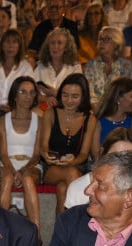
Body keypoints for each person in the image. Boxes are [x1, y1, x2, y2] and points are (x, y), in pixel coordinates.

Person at [42, 151, 132, 246]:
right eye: (91, 182)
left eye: (100, 186)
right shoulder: (70, 222)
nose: (87, 190)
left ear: (129, 197)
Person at [40, 73, 97, 215]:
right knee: (72, 175)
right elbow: (43, 146)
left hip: (77, 165)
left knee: (62, 188)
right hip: (52, 167)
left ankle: (60, 233)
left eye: (75, 96)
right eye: (65, 95)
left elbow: (84, 154)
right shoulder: (50, 113)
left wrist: (72, 161)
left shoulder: (90, 119)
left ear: (83, 97)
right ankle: (76, 226)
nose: (69, 101)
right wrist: (47, 156)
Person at [0, 76, 41, 231]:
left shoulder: (39, 120)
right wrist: (12, 170)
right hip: (7, 163)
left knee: (28, 179)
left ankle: (36, 233)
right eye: (23, 92)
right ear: (14, 95)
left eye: (31, 93)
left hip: (31, 164)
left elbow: (37, 155)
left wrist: (22, 171)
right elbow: (3, 154)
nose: (28, 97)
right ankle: (1, 230)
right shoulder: (3, 120)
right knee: (7, 179)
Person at [65, 127, 132, 209]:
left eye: (129, 159)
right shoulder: (79, 189)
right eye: (113, 158)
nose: (120, 164)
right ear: (102, 154)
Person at [0, 29, 34, 112]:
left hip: (16, 111)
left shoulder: (26, 68)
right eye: (7, 42)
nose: (10, 46)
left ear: (19, 46)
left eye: (14, 42)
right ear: (2, 46)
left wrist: (14, 107)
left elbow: (29, 95)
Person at [84, 26, 132, 111]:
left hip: (120, 112)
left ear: (116, 43)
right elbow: (90, 95)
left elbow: (127, 95)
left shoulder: (126, 66)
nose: (101, 42)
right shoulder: (91, 65)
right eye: (100, 39)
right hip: (95, 112)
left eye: (106, 40)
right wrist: (99, 115)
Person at [91, 77, 132, 161]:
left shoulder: (131, 120)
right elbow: (96, 157)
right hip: (102, 167)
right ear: (118, 98)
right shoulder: (97, 122)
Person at [33, 27, 82, 97]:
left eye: (59, 43)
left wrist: (55, 93)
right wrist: (44, 99)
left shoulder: (75, 67)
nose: (55, 46)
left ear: (66, 47)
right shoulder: (40, 66)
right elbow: (33, 91)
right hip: (43, 106)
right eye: (52, 43)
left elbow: (77, 94)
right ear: (48, 46)